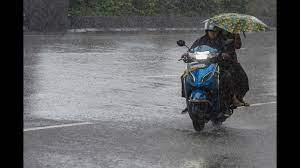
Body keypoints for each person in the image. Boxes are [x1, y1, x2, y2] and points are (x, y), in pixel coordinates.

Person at [181, 22, 244, 114]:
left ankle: (228, 101)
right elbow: (192, 50)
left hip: (218, 66)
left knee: (226, 77)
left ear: (218, 31)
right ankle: (188, 100)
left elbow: (230, 51)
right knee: (185, 76)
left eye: (215, 31)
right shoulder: (200, 40)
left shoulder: (223, 41)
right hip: (202, 66)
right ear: (207, 31)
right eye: (211, 31)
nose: (213, 33)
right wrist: (186, 54)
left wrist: (224, 55)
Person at [220, 30, 249, 106]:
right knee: (229, 76)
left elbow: (238, 46)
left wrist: (237, 35)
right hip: (219, 59)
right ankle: (233, 98)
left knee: (243, 77)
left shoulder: (233, 31)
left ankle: (239, 97)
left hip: (231, 59)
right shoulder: (217, 31)